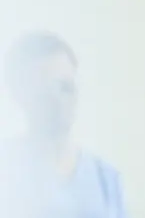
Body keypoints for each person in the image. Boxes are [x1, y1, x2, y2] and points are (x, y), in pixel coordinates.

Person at [0, 32, 129, 218]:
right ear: (18, 95)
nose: (58, 99)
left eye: (65, 86)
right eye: (44, 89)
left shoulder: (106, 180)